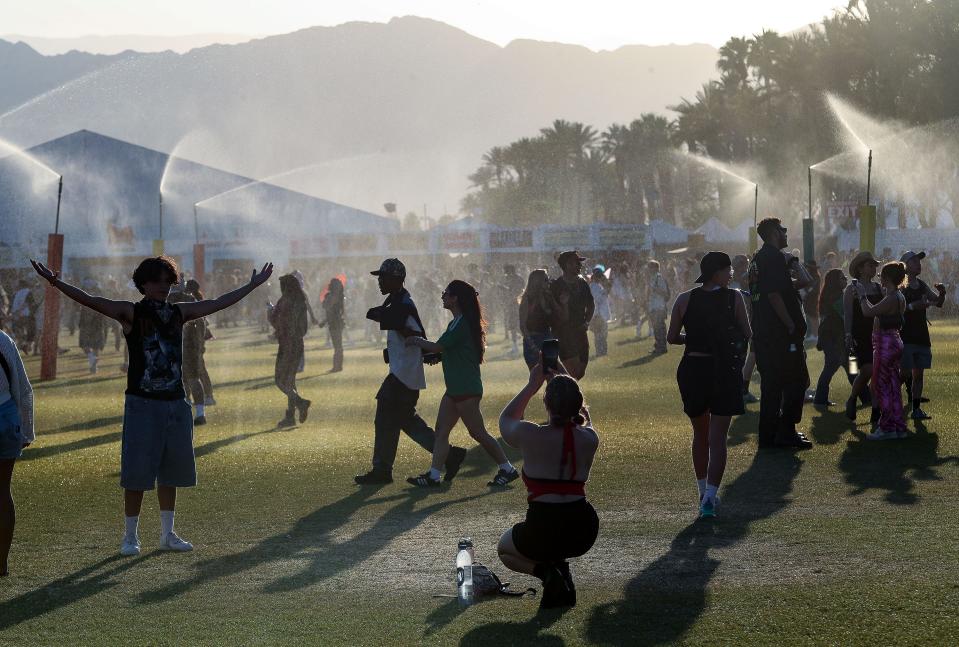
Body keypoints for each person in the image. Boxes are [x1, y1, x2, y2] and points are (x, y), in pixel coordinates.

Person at [31, 256, 272, 557]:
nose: (163, 286)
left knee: (170, 472)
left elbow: (218, 302)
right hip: (143, 403)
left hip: (175, 401)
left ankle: (167, 534)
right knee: (137, 472)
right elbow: (91, 300)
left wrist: (251, 286)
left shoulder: (178, 313)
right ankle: (130, 536)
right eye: (157, 280)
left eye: (168, 281)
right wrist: (55, 282)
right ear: (143, 283)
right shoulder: (130, 312)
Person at [355, 259, 467, 485]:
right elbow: (386, 319)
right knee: (406, 420)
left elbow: (402, 327)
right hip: (405, 372)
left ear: (396, 279)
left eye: (383, 277)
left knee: (386, 417)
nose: (379, 281)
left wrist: (389, 322)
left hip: (403, 374)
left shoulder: (403, 303)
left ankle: (382, 470)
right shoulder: (397, 301)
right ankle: (449, 455)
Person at [497, 365, 599, 609]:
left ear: (547, 403)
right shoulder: (590, 439)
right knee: (559, 535)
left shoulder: (529, 434)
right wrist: (566, 378)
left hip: (542, 528)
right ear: (578, 403)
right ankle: (562, 576)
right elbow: (585, 419)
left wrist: (533, 384)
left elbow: (506, 420)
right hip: (583, 530)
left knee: (504, 549)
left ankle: (547, 574)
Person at [404, 280, 518, 487]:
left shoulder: (463, 323)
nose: (442, 296)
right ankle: (434, 475)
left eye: (445, 293)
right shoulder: (456, 322)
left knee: (477, 432)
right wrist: (435, 356)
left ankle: (507, 468)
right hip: (455, 388)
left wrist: (415, 340)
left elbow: (438, 346)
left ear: (455, 298)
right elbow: (447, 350)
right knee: (441, 431)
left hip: (466, 388)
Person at [668, 252, 751, 518]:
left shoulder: (684, 299)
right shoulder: (733, 297)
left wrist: (694, 337)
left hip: (693, 368)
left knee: (700, 435)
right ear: (717, 271)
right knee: (718, 439)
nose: (731, 274)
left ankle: (702, 491)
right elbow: (747, 333)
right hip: (723, 371)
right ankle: (710, 498)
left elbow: (672, 337)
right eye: (728, 270)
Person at [747, 218, 813, 449]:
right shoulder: (773, 257)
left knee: (772, 387)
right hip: (780, 336)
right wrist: (790, 325)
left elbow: (801, 282)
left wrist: (794, 263)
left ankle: (769, 435)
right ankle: (786, 432)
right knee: (796, 382)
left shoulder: (758, 258)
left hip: (766, 334)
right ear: (775, 232)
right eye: (783, 230)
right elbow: (774, 295)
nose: (786, 233)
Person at [854, 262, 908, 440]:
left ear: (887, 278)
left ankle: (886, 427)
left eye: (881, 276)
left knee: (879, 385)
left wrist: (862, 294)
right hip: (894, 342)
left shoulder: (892, 297)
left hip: (885, 343)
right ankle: (898, 426)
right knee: (892, 386)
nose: (879, 278)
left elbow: (868, 312)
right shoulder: (898, 296)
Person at [0, 328, 34, 576]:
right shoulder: (3, 339)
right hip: (7, 419)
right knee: (2, 491)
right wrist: (27, 430)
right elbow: (22, 387)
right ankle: (1, 563)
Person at [899, 251, 946, 421]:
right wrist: (912, 307)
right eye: (914, 261)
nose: (918, 263)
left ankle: (916, 409)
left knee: (918, 375)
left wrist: (942, 293)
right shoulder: (899, 286)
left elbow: (938, 304)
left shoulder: (922, 284)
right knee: (903, 374)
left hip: (921, 336)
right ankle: (888, 403)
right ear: (904, 265)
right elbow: (893, 308)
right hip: (905, 336)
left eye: (918, 261)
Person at [269, 274, 312, 428]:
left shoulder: (285, 301)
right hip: (298, 344)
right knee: (290, 381)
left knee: (280, 381)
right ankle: (290, 417)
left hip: (287, 344)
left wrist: (270, 312)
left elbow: (278, 321)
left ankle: (301, 403)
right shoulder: (301, 301)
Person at [843, 252, 881, 423]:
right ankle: (852, 398)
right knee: (867, 370)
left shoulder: (879, 288)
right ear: (860, 268)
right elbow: (848, 315)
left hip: (877, 334)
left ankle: (876, 410)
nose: (874, 268)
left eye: (875, 265)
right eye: (870, 265)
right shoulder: (851, 289)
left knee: (876, 374)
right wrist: (848, 334)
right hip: (860, 335)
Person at [550, 251, 594, 379]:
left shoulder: (582, 283)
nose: (580, 266)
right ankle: (565, 395)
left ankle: (562, 389)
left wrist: (587, 322)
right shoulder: (556, 286)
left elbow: (591, 305)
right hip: (564, 334)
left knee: (580, 372)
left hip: (580, 331)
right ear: (568, 265)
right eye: (577, 263)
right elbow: (552, 311)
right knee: (572, 373)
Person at [168, 290, 207, 425]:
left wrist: (200, 344)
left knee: (191, 379)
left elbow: (200, 320)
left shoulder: (185, 299)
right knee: (182, 381)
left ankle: (200, 413)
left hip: (187, 346)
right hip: (177, 346)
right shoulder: (178, 297)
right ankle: (188, 412)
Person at [813, 268, 849, 407]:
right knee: (832, 365)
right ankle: (820, 399)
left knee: (850, 367)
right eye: (842, 277)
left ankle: (865, 396)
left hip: (836, 337)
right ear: (835, 281)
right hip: (832, 338)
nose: (845, 279)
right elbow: (845, 316)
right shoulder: (836, 296)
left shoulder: (833, 294)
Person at [519, 269, 559, 370]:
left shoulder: (548, 296)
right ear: (538, 282)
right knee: (535, 377)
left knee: (552, 375)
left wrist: (553, 299)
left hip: (548, 337)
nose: (548, 282)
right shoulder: (527, 299)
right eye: (545, 280)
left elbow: (558, 314)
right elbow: (523, 325)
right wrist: (532, 345)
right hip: (533, 339)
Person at [184, 279, 215, 405]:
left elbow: (202, 322)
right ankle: (190, 397)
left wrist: (200, 344)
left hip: (195, 340)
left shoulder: (193, 300)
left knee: (199, 369)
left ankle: (208, 396)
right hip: (193, 340)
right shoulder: (194, 299)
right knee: (190, 370)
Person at [77, 279, 109, 374]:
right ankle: (94, 366)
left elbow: (78, 307)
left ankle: (92, 361)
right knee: (95, 346)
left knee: (85, 344)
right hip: (96, 323)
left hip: (87, 324)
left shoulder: (83, 294)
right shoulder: (99, 293)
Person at [320, 277, 346, 373]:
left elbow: (326, 307)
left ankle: (337, 366)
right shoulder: (340, 296)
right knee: (338, 345)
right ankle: (338, 365)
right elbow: (339, 312)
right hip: (338, 322)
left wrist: (324, 322)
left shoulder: (331, 296)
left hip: (334, 323)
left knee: (337, 346)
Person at [646, 261, 671, 354]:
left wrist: (655, 290)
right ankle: (658, 346)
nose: (648, 269)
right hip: (653, 306)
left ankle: (662, 347)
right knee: (656, 328)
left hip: (659, 307)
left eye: (650, 267)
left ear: (655, 268)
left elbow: (664, 293)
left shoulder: (659, 278)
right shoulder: (652, 278)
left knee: (660, 328)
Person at [589, 267, 611, 358]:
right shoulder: (594, 286)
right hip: (598, 314)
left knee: (602, 334)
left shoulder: (597, 286)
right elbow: (597, 299)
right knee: (600, 334)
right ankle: (600, 351)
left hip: (599, 314)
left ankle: (602, 351)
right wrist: (605, 292)